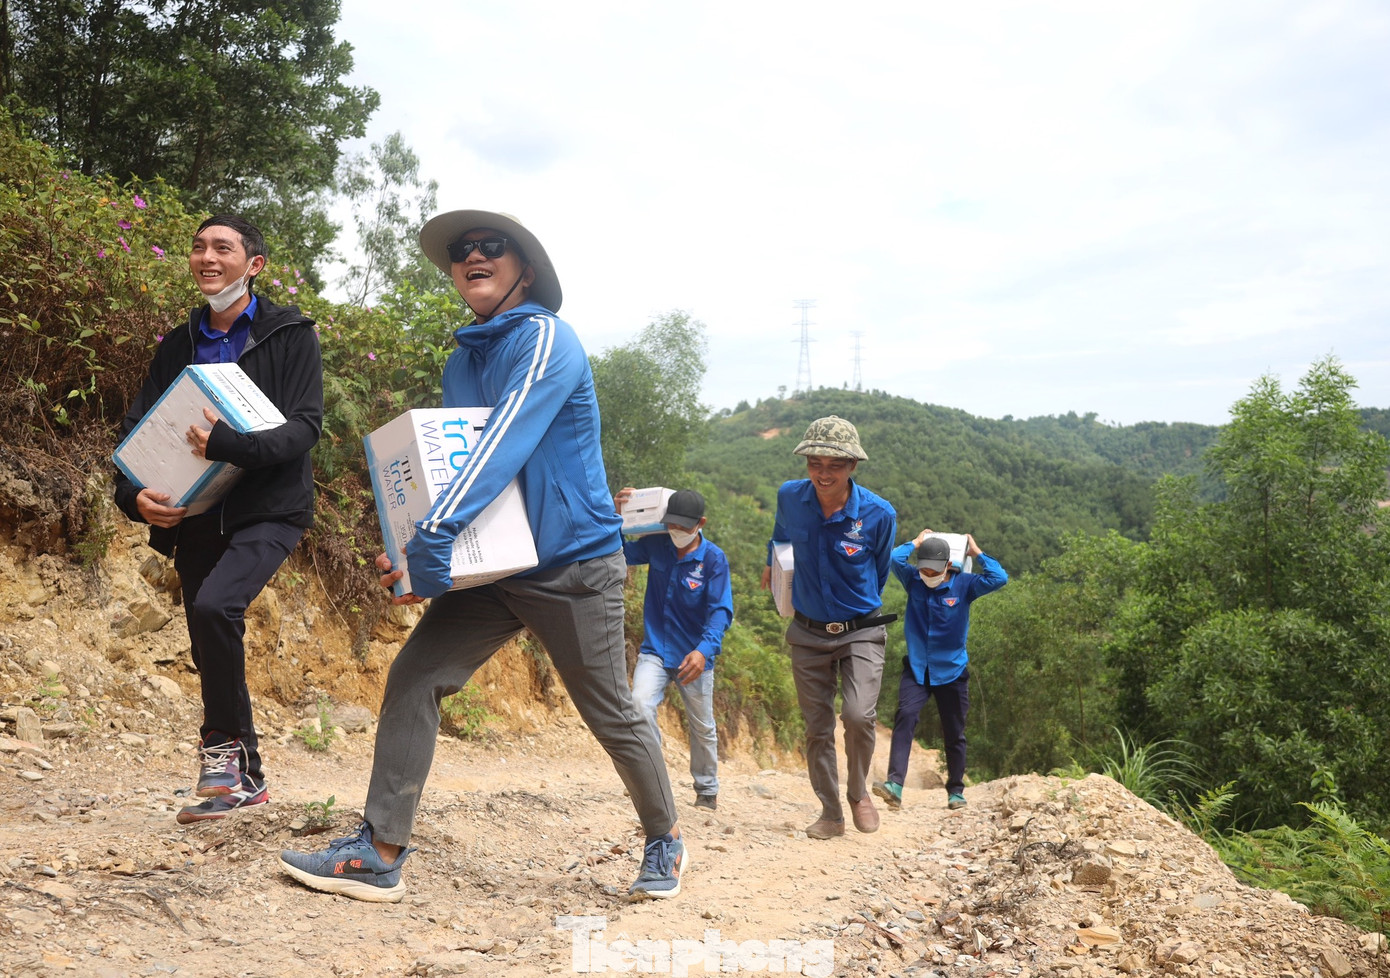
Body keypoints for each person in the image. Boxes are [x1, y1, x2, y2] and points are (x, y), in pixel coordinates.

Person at [279, 210, 686, 903]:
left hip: (573, 566)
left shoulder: (545, 339)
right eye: (461, 250)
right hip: (499, 568)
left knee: (610, 711)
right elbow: (453, 466)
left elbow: (502, 444)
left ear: (525, 268)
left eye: (491, 245)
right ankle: (379, 852)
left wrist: (433, 538)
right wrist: (413, 554)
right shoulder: (463, 360)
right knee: (415, 676)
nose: (473, 255)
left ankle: (665, 837)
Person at [112, 215, 324, 825]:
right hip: (198, 512)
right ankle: (246, 779)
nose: (207, 257)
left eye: (222, 247)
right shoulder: (179, 343)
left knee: (215, 607)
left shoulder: (290, 335)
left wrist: (229, 445)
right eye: (198, 246)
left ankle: (220, 751)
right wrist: (133, 496)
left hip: (270, 507)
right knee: (207, 638)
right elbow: (139, 428)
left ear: (253, 265)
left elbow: (304, 427)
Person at [760, 416, 897, 839]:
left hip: (861, 629)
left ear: (852, 466)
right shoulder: (790, 496)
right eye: (814, 463)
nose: (823, 473)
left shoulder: (879, 514)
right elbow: (780, 535)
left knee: (857, 715)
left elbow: (879, 574)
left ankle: (859, 792)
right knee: (817, 727)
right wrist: (771, 563)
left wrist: (849, 606)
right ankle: (831, 812)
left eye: (834, 465)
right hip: (807, 631)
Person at [615, 488, 734, 811]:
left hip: (693, 658)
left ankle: (706, 789)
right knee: (639, 704)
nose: (676, 531)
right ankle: (652, 779)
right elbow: (618, 552)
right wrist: (617, 514)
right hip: (655, 650)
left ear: (700, 524)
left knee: (702, 726)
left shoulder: (713, 560)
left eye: (683, 526)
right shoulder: (657, 545)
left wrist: (703, 651)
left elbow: (720, 612)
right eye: (671, 524)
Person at [873, 530, 1008, 811]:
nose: (927, 575)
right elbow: (894, 558)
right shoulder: (913, 580)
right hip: (917, 668)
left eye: (933, 571)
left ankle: (956, 791)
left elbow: (999, 578)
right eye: (924, 569)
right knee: (905, 716)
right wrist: (916, 542)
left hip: (952, 672)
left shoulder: (965, 585)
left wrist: (976, 552)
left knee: (954, 732)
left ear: (948, 565)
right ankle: (894, 784)